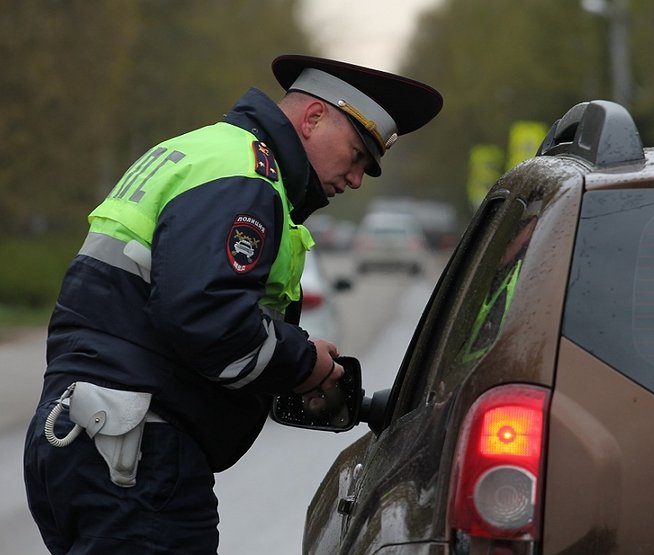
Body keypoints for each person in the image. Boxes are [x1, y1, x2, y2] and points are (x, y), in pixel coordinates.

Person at [23, 54, 443, 554]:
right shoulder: (247, 176)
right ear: (313, 119)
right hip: (137, 457)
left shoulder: (195, 151)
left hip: (80, 437)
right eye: (356, 155)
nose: (355, 179)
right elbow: (208, 320)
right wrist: (305, 364)